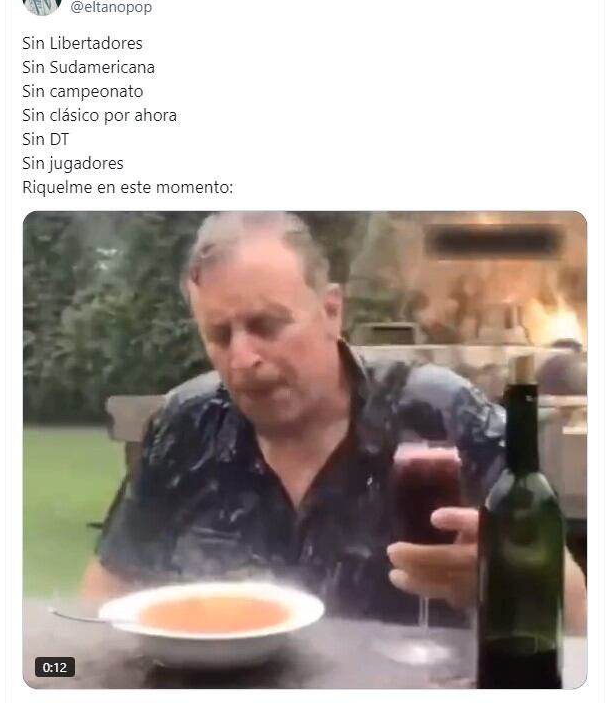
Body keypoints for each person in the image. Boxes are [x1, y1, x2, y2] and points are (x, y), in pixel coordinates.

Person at [82, 212, 586, 631]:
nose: (243, 359)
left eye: (266, 325)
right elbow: (105, 597)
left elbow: (577, 612)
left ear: (330, 311)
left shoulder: (441, 414)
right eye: (220, 335)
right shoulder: (187, 426)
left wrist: (509, 578)